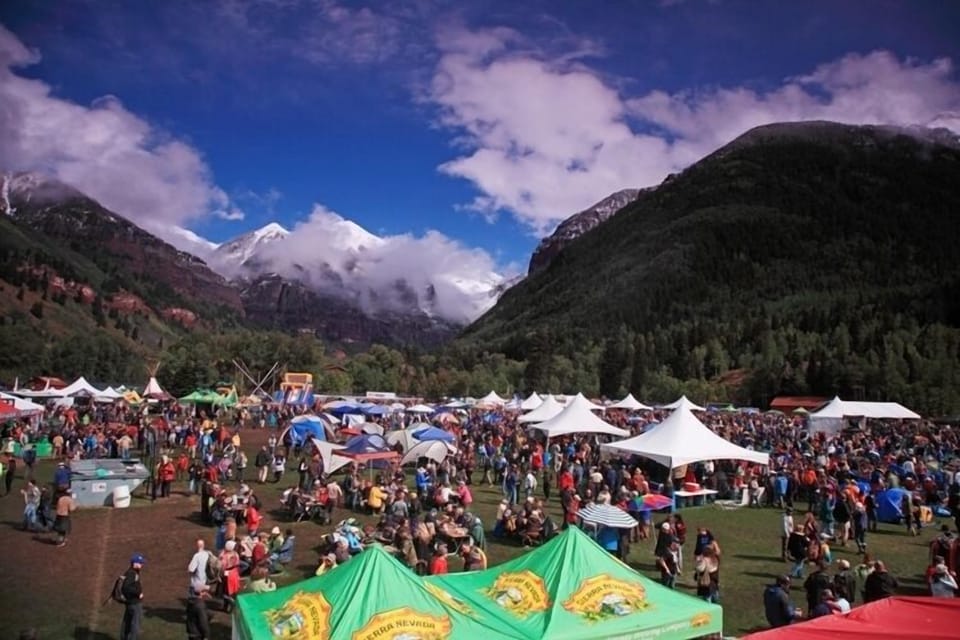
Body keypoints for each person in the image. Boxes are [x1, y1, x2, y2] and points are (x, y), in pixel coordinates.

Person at [120, 553, 145, 640]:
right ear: (135, 563)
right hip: (134, 603)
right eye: (140, 563)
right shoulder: (132, 574)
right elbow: (126, 587)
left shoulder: (131, 572)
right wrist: (138, 593)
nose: (142, 564)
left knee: (127, 623)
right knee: (135, 625)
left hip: (130, 602)